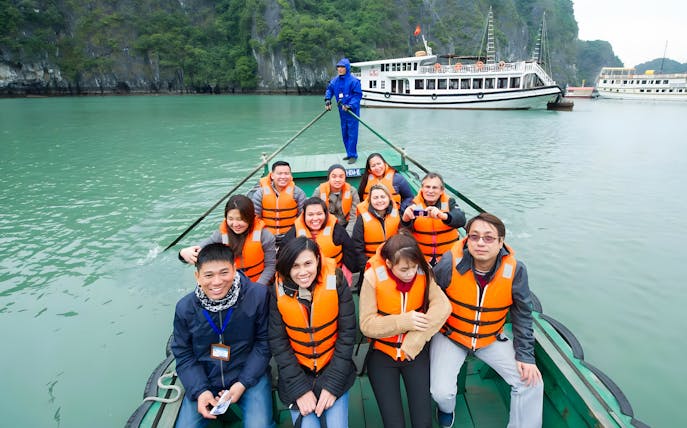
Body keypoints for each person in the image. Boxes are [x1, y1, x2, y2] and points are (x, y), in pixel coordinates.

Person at [430, 213, 543, 428]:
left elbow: (521, 314)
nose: (481, 242)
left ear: (501, 242)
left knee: (531, 383)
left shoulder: (516, 270)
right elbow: (430, 298)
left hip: (490, 338)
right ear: (467, 239)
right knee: (441, 392)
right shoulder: (449, 263)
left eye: (489, 238)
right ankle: (446, 409)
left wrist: (526, 356)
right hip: (451, 335)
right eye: (474, 236)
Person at [171, 243, 274, 428]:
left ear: (235, 269)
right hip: (205, 377)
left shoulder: (258, 296)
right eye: (208, 275)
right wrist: (200, 390)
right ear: (197, 276)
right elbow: (184, 354)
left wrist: (242, 383)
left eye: (224, 272)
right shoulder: (185, 308)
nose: (217, 282)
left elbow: (264, 343)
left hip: (248, 375)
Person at [359, 232, 451, 428]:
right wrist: (404, 321)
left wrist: (415, 340)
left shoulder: (423, 271)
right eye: (404, 269)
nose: (411, 273)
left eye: (414, 267)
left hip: (415, 353)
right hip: (382, 354)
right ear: (389, 264)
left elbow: (443, 306)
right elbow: (366, 324)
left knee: (423, 422)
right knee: (394, 424)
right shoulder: (372, 277)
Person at [269, 237, 357, 428]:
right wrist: (300, 389)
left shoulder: (337, 280)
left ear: (318, 259)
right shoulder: (277, 291)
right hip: (298, 373)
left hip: (333, 368)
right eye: (295, 266)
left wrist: (332, 384)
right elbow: (278, 343)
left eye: (308, 263)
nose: (302, 272)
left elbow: (347, 334)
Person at [178, 195, 277, 285]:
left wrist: (258, 287)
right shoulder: (221, 235)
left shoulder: (265, 236)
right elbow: (199, 249)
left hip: (259, 284)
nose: (235, 224)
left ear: (250, 218)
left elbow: (270, 266)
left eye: (240, 219)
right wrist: (183, 253)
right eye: (230, 219)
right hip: (231, 286)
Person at [401, 172, 466, 266]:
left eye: (435, 188)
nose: (430, 191)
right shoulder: (412, 204)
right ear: (422, 188)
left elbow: (461, 219)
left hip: (448, 258)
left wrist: (443, 216)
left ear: (442, 190)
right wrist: (405, 219)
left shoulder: (450, 202)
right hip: (423, 259)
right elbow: (404, 231)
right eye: (427, 187)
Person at [281, 197, 358, 275]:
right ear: (304, 216)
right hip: (303, 277)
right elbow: (283, 259)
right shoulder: (293, 233)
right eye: (310, 214)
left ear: (325, 214)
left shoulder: (337, 231)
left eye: (319, 214)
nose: (315, 218)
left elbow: (350, 254)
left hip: (331, 275)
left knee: (333, 286)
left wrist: (346, 273)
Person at [249, 160, 306, 247]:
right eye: (279, 173)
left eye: (286, 173)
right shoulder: (260, 194)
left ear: (290, 176)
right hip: (266, 234)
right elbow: (256, 217)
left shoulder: (298, 193)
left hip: (290, 234)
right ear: (272, 175)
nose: (283, 177)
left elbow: (301, 217)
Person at [352, 183, 400, 273]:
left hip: (393, 261)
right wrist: (365, 267)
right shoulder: (362, 218)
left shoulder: (397, 214)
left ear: (389, 198)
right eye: (375, 198)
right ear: (370, 200)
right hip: (370, 262)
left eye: (382, 197)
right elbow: (357, 246)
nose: (379, 200)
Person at [325, 58, 363, 164]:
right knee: (344, 133)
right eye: (338, 67)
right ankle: (349, 153)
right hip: (342, 112)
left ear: (347, 68)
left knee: (352, 133)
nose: (340, 69)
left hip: (352, 112)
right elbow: (329, 89)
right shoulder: (335, 81)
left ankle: (353, 155)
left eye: (342, 67)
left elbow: (357, 95)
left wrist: (350, 105)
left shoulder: (354, 81)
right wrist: (328, 100)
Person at [311, 163, 360, 232]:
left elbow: (353, 217)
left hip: (346, 225)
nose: (337, 180)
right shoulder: (319, 191)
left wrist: (348, 235)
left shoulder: (352, 191)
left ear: (345, 178)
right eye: (334, 176)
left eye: (341, 176)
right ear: (329, 178)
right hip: (326, 226)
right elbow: (312, 213)